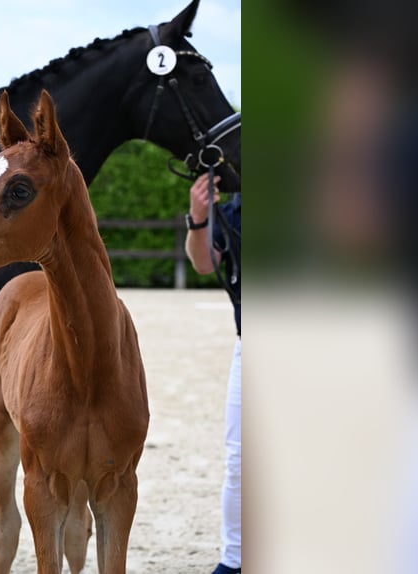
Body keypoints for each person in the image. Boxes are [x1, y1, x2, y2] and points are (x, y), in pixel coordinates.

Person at [185, 173, 241, 574]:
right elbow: (204, 263)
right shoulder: (235, 211)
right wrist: (199, 216)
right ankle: (235, 559)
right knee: (239, 459)